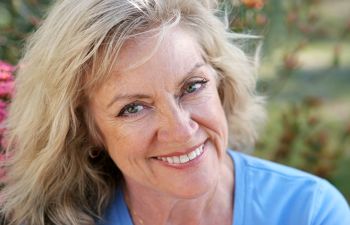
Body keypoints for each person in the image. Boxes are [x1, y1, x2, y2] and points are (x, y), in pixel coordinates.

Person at [0, 0, 349, 224]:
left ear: (221, 83)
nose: (181, 130)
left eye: (192, 86)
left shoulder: (309, 211)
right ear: (87, 129)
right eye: (133, 108)